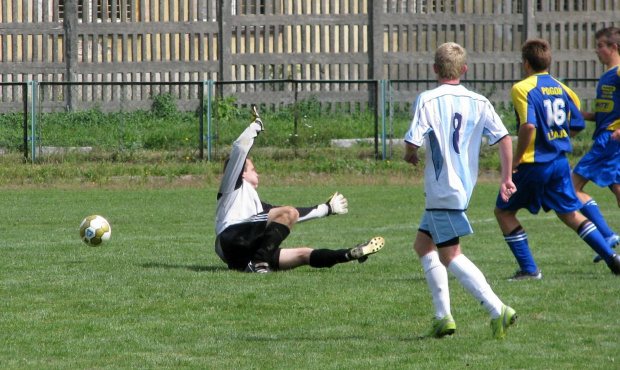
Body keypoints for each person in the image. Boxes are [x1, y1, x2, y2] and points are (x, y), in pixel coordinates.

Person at [403, 42, 517, 339]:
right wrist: (506, 177)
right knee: (423, 246)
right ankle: (443, 318)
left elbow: (413, 142)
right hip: (460, 188)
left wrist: (408, 154)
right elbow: (504, 138)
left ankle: (497, 309)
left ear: (435, 69)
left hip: (443, 189)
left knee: (450, 255)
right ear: (464, 70)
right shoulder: (479, 101)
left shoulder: (427, 99)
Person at [493, 38, 620, 280]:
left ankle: (529, 269)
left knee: (504, 212)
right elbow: (578, 123)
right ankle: (612, 257)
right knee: (570, 214)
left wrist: (517, 158)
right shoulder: (563, 88)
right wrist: (556, 137)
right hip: (559, 162)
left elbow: (528, 126)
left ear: (526, 63)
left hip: (534, 163)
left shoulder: (522, 88)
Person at [214, 107, 385, 273]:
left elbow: (291, 215)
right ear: (241, 174)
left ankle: (348, 254)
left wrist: (326, 209)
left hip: (241, 255)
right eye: (252, 169)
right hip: (231, 239)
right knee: (289, 212)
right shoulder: (232, 186)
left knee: (303, 254)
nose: (257, 174)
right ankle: (259, 263)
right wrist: (256, 126)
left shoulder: (257, 206)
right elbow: (240, 148)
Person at [572, 26, 620, 263]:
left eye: (600, 45)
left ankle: (607, 235)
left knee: (573, 186)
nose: (596, 50)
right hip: (608, 136)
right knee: (618, 188)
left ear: (614, 47)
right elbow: (607, 114)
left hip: (609, 140)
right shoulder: (607, 75)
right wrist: (583, 115)